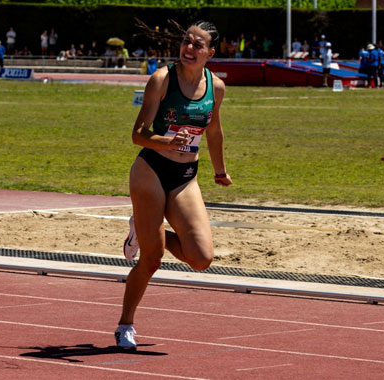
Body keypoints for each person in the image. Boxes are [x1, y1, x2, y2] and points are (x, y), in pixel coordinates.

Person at [117, 20, 231, 350]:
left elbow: (214, 131)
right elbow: (138, 134)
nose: (189, 48)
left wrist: (220, 171)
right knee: (151, 261)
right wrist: (166, 143)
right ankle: (125, 324)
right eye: (186, 41)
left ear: (210, 52)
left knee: (201, 258)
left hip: (185, 177)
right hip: (151, 169)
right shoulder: (163, 79)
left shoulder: (217, 87)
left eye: (198, 44)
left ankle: (148, 231)